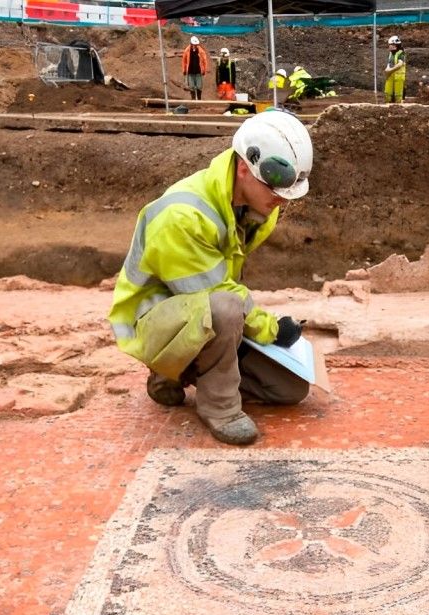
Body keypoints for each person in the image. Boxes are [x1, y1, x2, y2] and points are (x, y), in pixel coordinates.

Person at [108, 111, 314, 445]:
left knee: (289, 388)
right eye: (274, 189)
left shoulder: (253, 206)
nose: (280, 200)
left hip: (199, 313)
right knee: (226, 307)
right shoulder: (182, 216)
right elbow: (218, 293)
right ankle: (218, 407)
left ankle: (181, 371)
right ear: (245, 168)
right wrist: (271, 328)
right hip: (151, 324)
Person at [181, 35, 210, 100]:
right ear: (191, 44)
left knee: (199, 86)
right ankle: (193, 99)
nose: (195, 46)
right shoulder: (187, 51)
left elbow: (205, 61)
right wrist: (184, 70)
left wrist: (204, 70)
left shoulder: (201, 51)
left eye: (196, 45)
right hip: (190, 72)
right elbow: (184, 61)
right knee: (191, 86)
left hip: (198, 71)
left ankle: (199, 99)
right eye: (194, 44)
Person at [383, 35, 406, 103]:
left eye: (390, 45)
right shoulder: (391, 54)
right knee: (388, 93)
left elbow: (400, 64)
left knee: (398, 95)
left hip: (398, 77)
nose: (389, 46)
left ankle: (398, 108)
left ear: (394, 45)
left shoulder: (401, 53)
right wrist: (387, 70)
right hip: (390, 77)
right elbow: (389, 63)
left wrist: (390, 70)